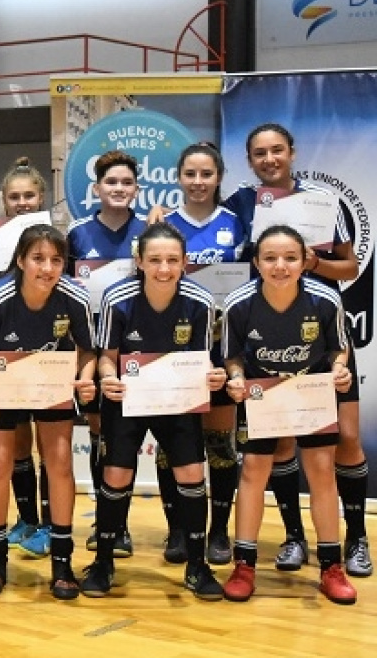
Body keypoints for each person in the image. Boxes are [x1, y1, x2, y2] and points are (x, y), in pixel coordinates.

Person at [224, 123, 368, 577]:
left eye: (277, 150)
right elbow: (212, 246)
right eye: (260, 153)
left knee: (346, 439)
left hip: (320, 334)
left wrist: (312, 262)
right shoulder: (240, 203)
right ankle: (293, 537)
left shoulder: (322, 202)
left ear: (292, 151)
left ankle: (356, 537)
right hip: (265, 338)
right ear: (250, 160)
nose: (269, 159)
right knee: (280, 443)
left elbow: (351, 266)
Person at [80, 222, 226, 600]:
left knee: (192, 474)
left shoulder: (200, 300)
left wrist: (212, 376)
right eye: (156, 260)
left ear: (185, 262)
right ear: (140, 261)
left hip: (177, 399)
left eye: (173, 260)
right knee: (116, 474)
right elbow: (107, 357)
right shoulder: (117, 298)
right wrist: (107, 377)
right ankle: (104, 562)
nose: (164, 268)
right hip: (128, 397)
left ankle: (197, 565)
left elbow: (202, 361)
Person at [221, 224, 357, 605]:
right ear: (256, 262)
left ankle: (331, 566)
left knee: (322, 471)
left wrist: (339, 369)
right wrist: (235, 378)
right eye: (270, 258)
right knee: (253, 472)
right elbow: (232, 356)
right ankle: (244, 565)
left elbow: (339, 349)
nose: (280, 266)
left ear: (304, 262)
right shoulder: (238, 303)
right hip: (263, 395)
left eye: (290, 258)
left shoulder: (325, 300)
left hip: (310, 391)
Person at [0, 224, 96, 598]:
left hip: (51, 383)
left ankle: (62, 562)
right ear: (21, 261)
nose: (47, 268)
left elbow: (89, 349)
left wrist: (85, 377)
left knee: (60, 464)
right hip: (3, 384)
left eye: (56, 260)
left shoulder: (74, 297)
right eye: (38, 258)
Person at [159, 142, 246, 566]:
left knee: (219, 442)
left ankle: (219, 531)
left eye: (206, 174)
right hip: (170, 349)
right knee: (170, 442)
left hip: (219, 347)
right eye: (190, 174)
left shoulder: (236, 223)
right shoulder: (163, 226)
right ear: (178, 178)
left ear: (219, 177)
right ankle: (177, 529)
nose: (198, 182)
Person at [0, 157, 61, 557]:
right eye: (15, 197)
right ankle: (27, 519)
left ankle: (49, 524)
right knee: (18, 444)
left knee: (50, 446)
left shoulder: (56, 239)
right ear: (4, 201)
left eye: (29, 195)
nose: (22, 203)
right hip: (5, 355)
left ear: (41, 198)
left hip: (48, 356)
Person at [66, 150, 147, 557]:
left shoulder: (149, 231)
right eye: (111, 182)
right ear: (96, 188)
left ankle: (121, 525)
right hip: (91, 346)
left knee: (123, 437)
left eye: (126, 182)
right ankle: (105, 522)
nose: (118, 188)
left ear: (137, 189)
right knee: (100, 435)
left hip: (135, 348)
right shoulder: (77, 234)